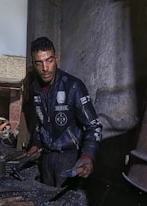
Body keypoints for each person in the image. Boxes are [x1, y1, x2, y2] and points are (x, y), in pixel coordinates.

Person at [26, 36, 102, 188]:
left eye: (49, 60)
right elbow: (41, 123)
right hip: (46, 160)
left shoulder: (73, 86)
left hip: (69, 159)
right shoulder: (35, 89)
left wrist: (87, 156)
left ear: (56, 59)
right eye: (39, 63)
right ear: (33, 64)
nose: (45, 68)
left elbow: (94, 126)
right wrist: (35, 144)